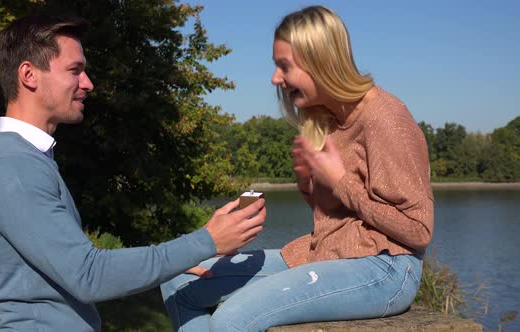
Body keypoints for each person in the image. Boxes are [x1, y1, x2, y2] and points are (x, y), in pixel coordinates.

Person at [0, 14, 266, 332]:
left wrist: (174, 260)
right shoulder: (12, 168)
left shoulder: (22, 160)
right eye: (74, 70)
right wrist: (206, 241)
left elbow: (71, 263)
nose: (88, 83)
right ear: (29, 75)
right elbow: (89, 276)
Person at [160, 5, 434, 331]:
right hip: (326, 254)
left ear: (320, 60)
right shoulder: (325, 119)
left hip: (386, 268)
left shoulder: (384, 117)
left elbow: (419, 232)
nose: (275, 78)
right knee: (177, 282)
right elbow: (338, 221)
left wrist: (341, 182)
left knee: (232, 319)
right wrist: (308, 182)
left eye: (284, 66)